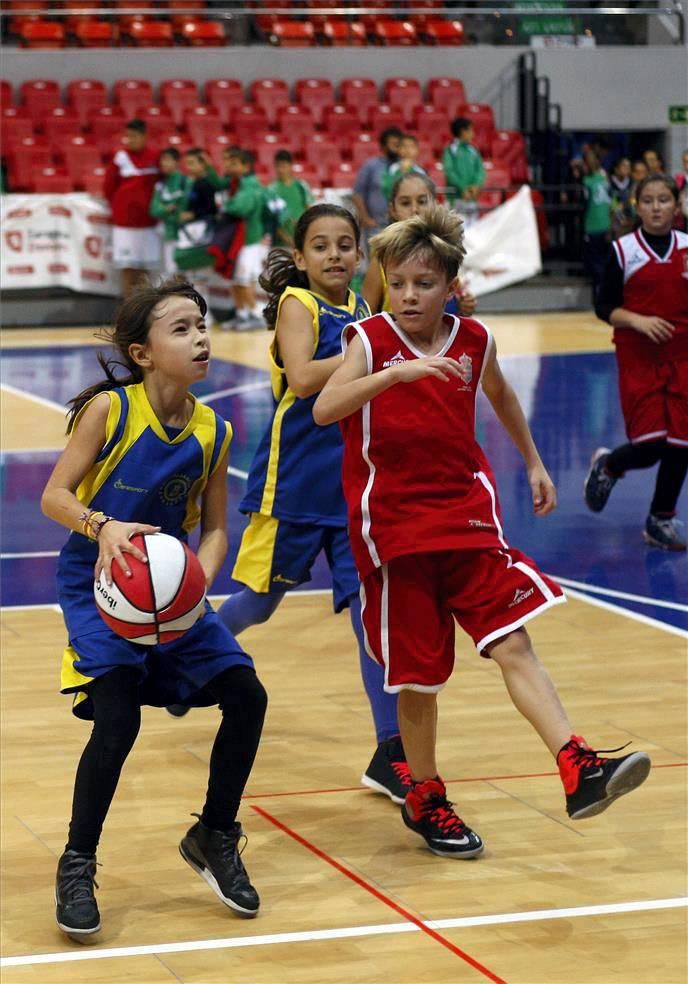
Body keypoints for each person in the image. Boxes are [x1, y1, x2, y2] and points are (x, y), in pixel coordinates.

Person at [313, 206, 651, 857]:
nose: (410, 294)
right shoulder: (369, 338)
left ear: (448, 285)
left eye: (424, 283)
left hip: (467, 522)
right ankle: (427, 797)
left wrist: (532, 460)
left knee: (513, 642)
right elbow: (325, 407)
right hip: (396, 535)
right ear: (384, 281)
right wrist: (394, 375)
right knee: (419, 681)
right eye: (399, 281)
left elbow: (500, 396)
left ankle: (578, 764)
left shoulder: (474, 340)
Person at [41, 277, 268, 938]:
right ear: (142, 353)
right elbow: (54, 495)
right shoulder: (111, 412)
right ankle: (78, 860)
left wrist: (201, 577)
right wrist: (102, 525)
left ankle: (214, 834)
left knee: (247, 695)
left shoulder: (214, 431)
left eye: (202, 325)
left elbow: (218, 528)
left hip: (172, 590)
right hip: (97, 580)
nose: (201, 337)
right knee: (116, 716)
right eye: (181, 329)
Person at [168, 204, 410, 804]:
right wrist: (374, 355)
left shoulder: (360, 311)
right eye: (321, 245)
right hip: (295, 483)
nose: (334, 255)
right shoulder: (297, 306)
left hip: (351, 486)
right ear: (299, 259)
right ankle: (178, 661)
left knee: (368, 618)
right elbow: (303, 379)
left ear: (360, 256)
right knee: (259, 601)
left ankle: (390, 750)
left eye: (345, 245)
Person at [584, 174, 688, 550]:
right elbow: (603, 307)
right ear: (637, 205)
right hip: (639, 358)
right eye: (649, 200)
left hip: (683, 358)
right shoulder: (623, 251)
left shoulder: (687, 247)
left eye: (664, 200)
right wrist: (638, 320)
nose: (657, 207)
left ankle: (661, 519)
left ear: (676, 205)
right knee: (650, 446)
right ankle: (610, 465)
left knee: (682, 443)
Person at [363, 172, 476, 319]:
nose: (414, 209)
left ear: (435, 205)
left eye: (422, 201)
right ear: (393, 210)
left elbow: (450, 301)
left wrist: (462, 305)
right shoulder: (380, 260)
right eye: (405, 203)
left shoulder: (445, 252)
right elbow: (365, 319)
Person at [212, 147, 268, 330]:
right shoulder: (236, 184)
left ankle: (254, 315)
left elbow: (240, 208)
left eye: (234, 163)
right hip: (239, 241)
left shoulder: (250, 185)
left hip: (248, 242)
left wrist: (225, 204)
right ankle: (241, 314)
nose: (229, 166)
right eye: (228, 162)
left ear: (246, 166)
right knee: (237, 280)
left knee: (243, 281)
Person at [103, 119, 160, 297]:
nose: (130, 140)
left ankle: (144, 312)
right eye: (127, 137)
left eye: (134, 136)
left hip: (148, 224)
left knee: (145, 269)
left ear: (145, 136)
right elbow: (108, 187)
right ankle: (129, 313)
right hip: (125, 225)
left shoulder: (156, 157)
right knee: (127, 269)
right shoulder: (120, 157)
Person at [174, 147, 219, 325]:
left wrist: (194, 214)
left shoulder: (206, 184)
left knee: (200, 273)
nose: (189, 166)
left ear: (203, 164)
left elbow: (212, 209)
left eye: (193, 163)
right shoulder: (192, 183)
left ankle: (205, 313)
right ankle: (200, 311)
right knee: (192, 275)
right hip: (193, 230)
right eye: (187, 163)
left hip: (202, 230)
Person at [351, 127, 403, 243]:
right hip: (376, 226)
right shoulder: (371, 166)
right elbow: (357, 194)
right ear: (383, 146)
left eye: (399, 144)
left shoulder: (404, 167)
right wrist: (365, 218)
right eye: (394, 144)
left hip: (400, 226)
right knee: (375, 260)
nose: (397, 148)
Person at [150, 147, 190, 274]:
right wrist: (168, 209)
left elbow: (184, 210)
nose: (163, 163)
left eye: (167, 160)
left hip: (185, 236)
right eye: (162, 160)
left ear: (177, 162)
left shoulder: (185, 182)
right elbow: (153, 210)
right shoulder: (161, 185)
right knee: (170, 273)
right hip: (168, 235)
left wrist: (166, 210)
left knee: (186, 275)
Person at [580, 148, 611, 302]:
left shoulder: (587, 181)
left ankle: (600, 296)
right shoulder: (604, 178)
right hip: (605, 224)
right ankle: (604, 295)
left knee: (597, 263)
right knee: (603, 261)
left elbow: (585, 203)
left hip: (594, 225)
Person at [267, 149, 313, 248]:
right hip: (281, 245)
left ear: (291, 166)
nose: (280, 170)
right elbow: (273, 221)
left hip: (302, 242)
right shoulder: (271, 190)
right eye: (277, 166)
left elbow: (309, 212)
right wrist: (288, 240)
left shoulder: (301, 186)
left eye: (283, 166)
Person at [441, 117, 485, 207]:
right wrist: (463, 188)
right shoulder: (450, 150)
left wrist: (476, 185)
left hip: (472, 198)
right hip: (455, 200)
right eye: (471, 131)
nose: (473, 134)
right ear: (462, 132)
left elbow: (480, 170)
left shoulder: (473, 150)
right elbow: (449, 172)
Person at [381, 134, 427, 201]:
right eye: (404, 146)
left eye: (412, 146)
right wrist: (403, 171)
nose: (408, 150)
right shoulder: (392, 169)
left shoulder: (421, 171)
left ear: (417, 150)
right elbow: (387, 191)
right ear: (398, 150)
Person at [608, 156, 633, 239]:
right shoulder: (609, 182)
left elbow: (633, 201)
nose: (627, 169)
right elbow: (612, 203)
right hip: (613, 218)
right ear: (616, 169)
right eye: (624, 166)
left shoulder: (632, 183)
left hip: (628, 218)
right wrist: (620, 216)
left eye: (629, 167)